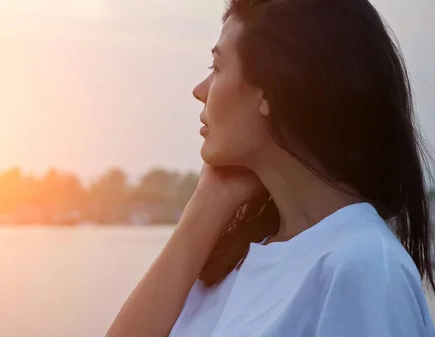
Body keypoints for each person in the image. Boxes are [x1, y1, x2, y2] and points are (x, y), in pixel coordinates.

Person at [105, 0, 435, 336]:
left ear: (271, 92)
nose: (199, 91)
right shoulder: (237, 254)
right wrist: (207, 204)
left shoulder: (364, 269)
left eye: (216, 68)